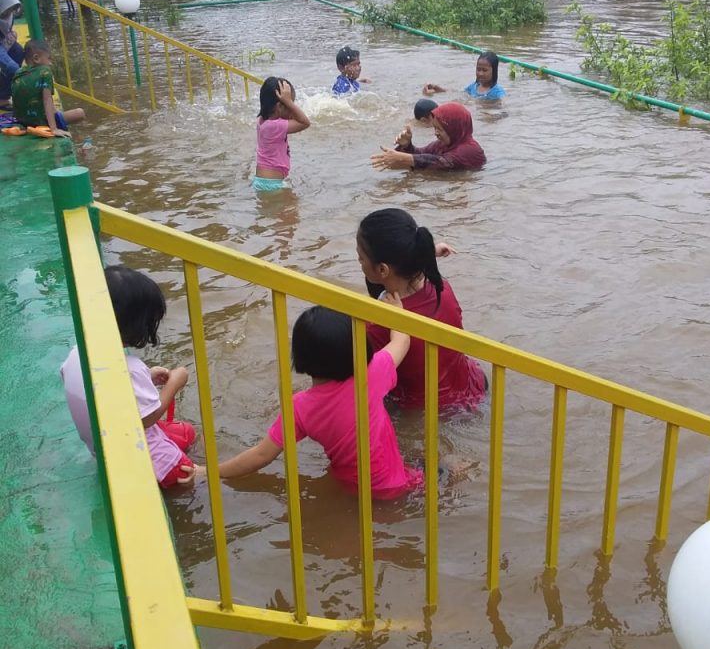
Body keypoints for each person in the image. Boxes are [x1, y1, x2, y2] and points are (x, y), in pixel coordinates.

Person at [203, 303, 423, 500]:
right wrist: (395, 310)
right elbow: (402, 340)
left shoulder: (299, 408)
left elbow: (261, 455)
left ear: (300, 356)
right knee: (444, 469)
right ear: (360, 349)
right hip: (394, 483)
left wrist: (210, 472)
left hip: (349, 486)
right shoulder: (373, 373)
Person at [61, 265, 197, 489]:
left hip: (103, 446)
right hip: (136, 456)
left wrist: (148, 377)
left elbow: (101, 389)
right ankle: (186, 481)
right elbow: (147, 419)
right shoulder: (132, 368)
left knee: (186, 433)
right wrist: (174, 384)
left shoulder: (77, 353)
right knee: (187, 475)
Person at [357, 208, 487, 410]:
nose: (360, 264)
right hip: (473, 386)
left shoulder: (377, 326)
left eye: (361, 259)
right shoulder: (441, 288)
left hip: (428, 410)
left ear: (383, 269)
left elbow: (368, 380)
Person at [371, 102, 486, 172]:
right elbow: (421, 155)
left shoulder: (469, 150)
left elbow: (441, 162)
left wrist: (403, 158)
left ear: (454, 128)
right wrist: (407, 145)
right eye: (435, 128)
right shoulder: (443, 144)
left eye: (440, 129)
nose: (435, 133)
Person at [11, 40, 85, 136]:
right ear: (36, 58)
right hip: (40, 123)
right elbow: (47, 100)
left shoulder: (18, 72)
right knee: (80, 113)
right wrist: (54, 129)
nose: (50, 63)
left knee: (54, 110)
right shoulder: (45, 71)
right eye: (48, 58)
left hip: (22, 122)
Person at [254, 75, 310, 192]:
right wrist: (288, 102)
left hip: (267, 182)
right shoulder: (274, 126)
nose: (293, 108)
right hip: (271, 185)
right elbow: (305, 122)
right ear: (279, 106)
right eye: (291, 104)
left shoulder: (263, 121)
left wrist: (287, 103)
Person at [423, 51, 506, 101]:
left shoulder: (497, 92)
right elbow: (458, 93)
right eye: (478, 69)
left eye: (484, 70)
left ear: (494, 71)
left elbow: (501, 108)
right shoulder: (474, 86)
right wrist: (438, 89)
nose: (480, 73)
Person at [0, 0, 24, 107]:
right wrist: (17, 70)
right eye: (6, 9)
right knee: (11, 66)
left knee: (17, 51)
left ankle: (3, 96)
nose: (9, 12)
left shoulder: (9, 15)